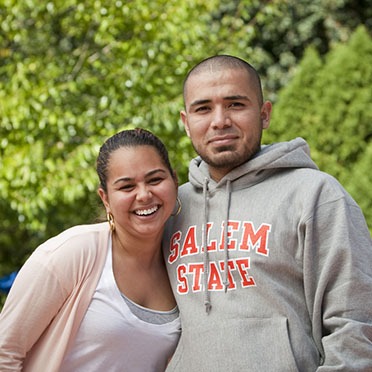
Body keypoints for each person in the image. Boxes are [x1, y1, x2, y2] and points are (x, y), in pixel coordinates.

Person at [163, 55, 372, 371]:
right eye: (203, 108)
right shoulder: (169, 209)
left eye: (235, 104)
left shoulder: (314, 195)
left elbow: (354, 321)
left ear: (264, 114)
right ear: (186, 121)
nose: (220, 120)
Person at [0, 128, 181, 372]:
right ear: (105, 198)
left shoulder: (182, 260)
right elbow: (5, 352)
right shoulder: (70, 253)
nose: (144, 194)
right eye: (126, 187)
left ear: (175, 181)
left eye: (155, 180)